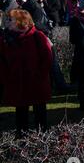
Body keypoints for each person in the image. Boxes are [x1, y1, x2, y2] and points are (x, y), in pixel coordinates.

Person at [0, 9, 52, 137]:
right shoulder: (6, 39)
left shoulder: (37, 36)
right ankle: (22, 139)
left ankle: (43, 138)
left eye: (11, 20)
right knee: (21, 111)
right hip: (17, 82)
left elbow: (47, 58)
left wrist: (40, 76)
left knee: (40, 112)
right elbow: (2, 60)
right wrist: (7, 77)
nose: (8, 22)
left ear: (21, 22)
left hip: (37, 82)